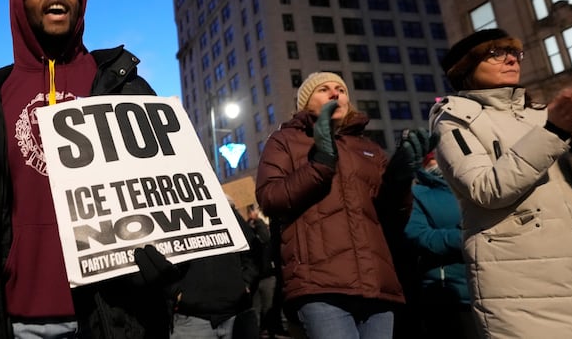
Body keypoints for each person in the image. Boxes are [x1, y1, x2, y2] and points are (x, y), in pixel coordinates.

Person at [0, 0, 174, 338]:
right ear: (20, 2)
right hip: (11, 319)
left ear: (80, 1)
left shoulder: (123, 87)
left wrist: (169, 262)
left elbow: (171, 190)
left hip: (111, 315)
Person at [430, 28, 572, 339]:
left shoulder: (541, 115)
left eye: (514, 52)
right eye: (496, 53)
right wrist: (554, 132)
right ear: (465, 68)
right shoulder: (454, 120)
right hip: (522, 292)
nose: (510, 58)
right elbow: (486, 189)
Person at [255, 72, 435, 339]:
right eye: (323, 89)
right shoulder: (284, 141)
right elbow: (271, 199)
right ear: (305, 103)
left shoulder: (369, 148)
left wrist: (399, 179)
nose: (334, 93)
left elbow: (390, 218)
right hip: (319, 284)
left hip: (376, 284)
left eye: (340, 88)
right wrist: (321, 163)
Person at [402, 152, 478, 339]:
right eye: (433, 157)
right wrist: (464, 237)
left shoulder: (474, 187)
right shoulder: (418, 194)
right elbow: (418, 235)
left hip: (488, 289)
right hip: (447, 294)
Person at [169, 203, 259, 339]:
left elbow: (254, 249)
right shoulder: (169, 215)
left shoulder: (227, 212)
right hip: (192, 319)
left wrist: (246, 282)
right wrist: (175, 292)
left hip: (237, 314)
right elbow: (160, 260)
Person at [245, 204, 276, 338]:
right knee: (255, 310)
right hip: (254, 278)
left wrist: (257, 221)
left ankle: (271, 331)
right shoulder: (246, 228)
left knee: (269, 307)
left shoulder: (261, 227)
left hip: (267, 275)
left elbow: (265, 237)